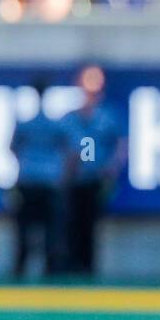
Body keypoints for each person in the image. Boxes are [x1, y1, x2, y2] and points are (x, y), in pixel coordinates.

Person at [60, 65, 126, 276]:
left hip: (95, 178)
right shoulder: (70, 118)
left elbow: (122, 143)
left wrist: (112, 167)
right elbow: (61, 145)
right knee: (70, 223)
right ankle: (70, 263)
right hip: (73, 179)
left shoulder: (108, 117)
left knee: (90, 224)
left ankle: (87, 267)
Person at [9, 80, 68, 278]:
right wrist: (61, 174)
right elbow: (73, 151)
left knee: (25, 230)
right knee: (50, 230)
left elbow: (13, 148)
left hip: (28, 181)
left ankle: (21, 268)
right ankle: (50, 270)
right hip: (48, 183)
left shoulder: (27, 124)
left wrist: (27, 163)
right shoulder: (56, 125)